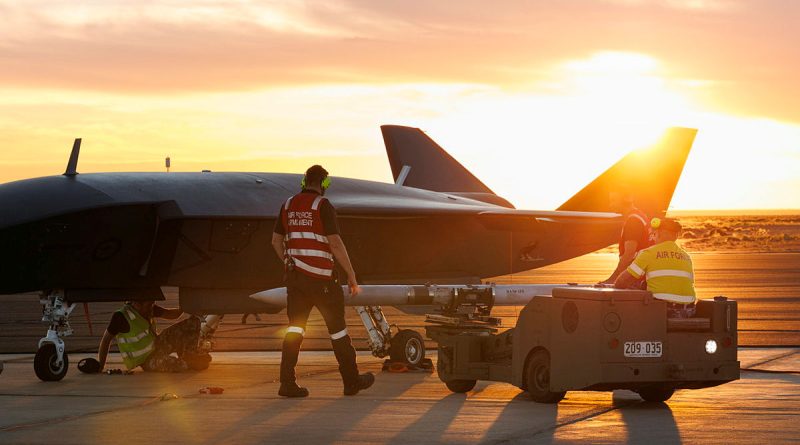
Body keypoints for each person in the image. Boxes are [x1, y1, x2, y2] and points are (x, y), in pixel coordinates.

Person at [271, 164, 374, 397]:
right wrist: (351, 274)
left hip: (296, 281)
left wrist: (288, 260)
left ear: (303, 181)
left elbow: (276, 242)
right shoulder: (322, 206)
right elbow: (335, 243)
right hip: (323, 281)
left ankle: (287, 383)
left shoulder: (287, 206)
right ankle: (351, 381)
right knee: (337, 332)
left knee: (294, 331)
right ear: (324, 183)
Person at [614, 218, 697, 318]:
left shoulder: (649, 253)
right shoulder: (686, 256)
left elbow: (622, 281)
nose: (653, 238)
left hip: (664, 310)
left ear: (660, 233)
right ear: (675, 236)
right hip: (689, 311)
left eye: (654, 234)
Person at [96, 300, 208, 373]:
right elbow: (106, 340)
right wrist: (100, 365)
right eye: (149, 305)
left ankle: (189, 355)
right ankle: (190, 362)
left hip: (157, 345)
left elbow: (172, 315)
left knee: (194, 322)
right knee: (179, 365)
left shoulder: (149, 308)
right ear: (137, 303)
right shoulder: (121, 317)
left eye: (152, 303)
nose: (151, 307)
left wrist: (186, 306)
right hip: (146, 359)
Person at [599, 189, 653, 286]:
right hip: (642, 274)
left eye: (613, 200)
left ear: (626, 199)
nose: (610, 205)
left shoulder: (633, 221)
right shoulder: (640, 215)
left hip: (635, 276)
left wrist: (613, 279)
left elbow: (629, 253)